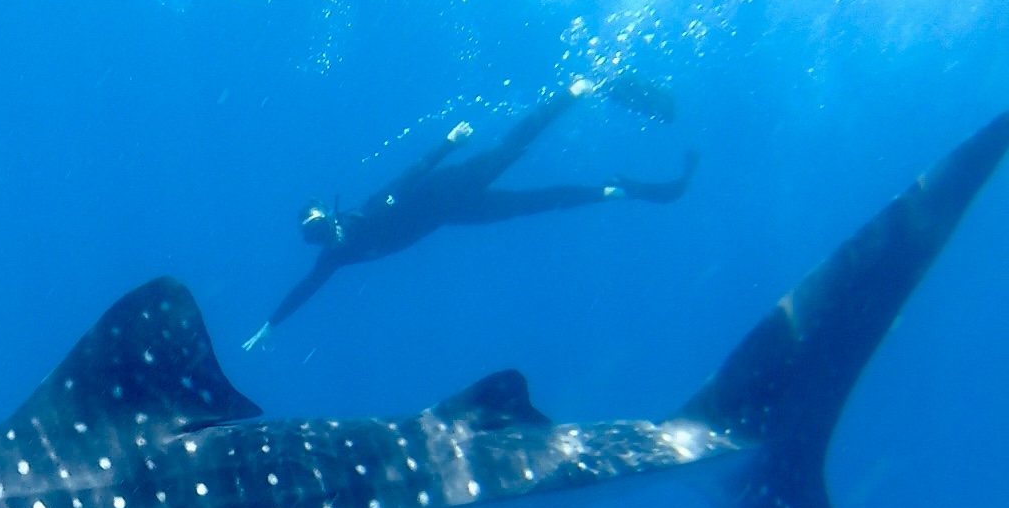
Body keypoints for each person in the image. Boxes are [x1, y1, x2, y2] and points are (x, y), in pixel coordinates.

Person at [244, 76, 698, 351]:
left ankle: (575, 90)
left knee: (512, 148)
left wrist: (450, 143)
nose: (325, 235)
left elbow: (409, 176)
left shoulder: (367, 212)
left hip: (452, 185)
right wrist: (270, 325)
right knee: (534, 204)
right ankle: (614, 192)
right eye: (315, 234)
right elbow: (305, 289)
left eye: (321, 224)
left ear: (331, 215)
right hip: (458, 213)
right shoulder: (334, 259)